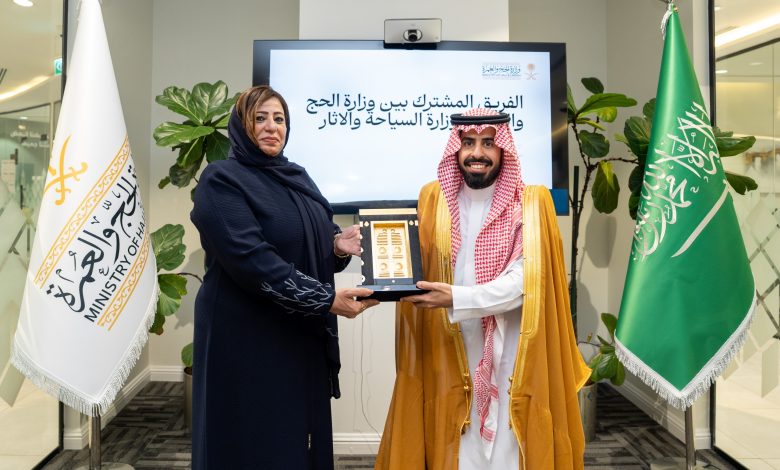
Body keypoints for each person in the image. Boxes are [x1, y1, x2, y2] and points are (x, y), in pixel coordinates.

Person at [375, 108, 590, 469]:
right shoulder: (434, 199)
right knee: (457, 442)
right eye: (469, 143)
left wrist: (456, 298)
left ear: (503, 149)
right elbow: (415, 263)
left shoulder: (531, 203)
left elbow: (525, 281)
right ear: (456, 149)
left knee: (508, 444)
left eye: (488, 143)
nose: (478, 153)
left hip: (511, 347)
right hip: (450, 345)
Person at [189, 85, 378, 470]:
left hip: (294, 331)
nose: (271, 127)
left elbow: (308, 239)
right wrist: (326, 300)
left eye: (279, 119)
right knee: (251, 435)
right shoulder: (221, 180)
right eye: (259, 118)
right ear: (241, 125)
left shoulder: (295, 177)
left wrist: (337, 245)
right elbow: (252, 260)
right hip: (244, 336)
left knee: (293, 433)